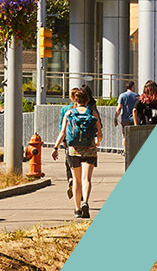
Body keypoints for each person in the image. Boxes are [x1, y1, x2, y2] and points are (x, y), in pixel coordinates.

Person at [52, 87, 102, 219]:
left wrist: (55, 147)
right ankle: (85, 201)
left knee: (76, 180)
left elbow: (62, 132)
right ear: (87, 100)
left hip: (73, 150)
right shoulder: (93, 113)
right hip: (89, 150)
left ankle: (77, 209)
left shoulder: (69, 113)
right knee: (87, 179)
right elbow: (100, 133)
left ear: (75, 100)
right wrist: (97, 142)